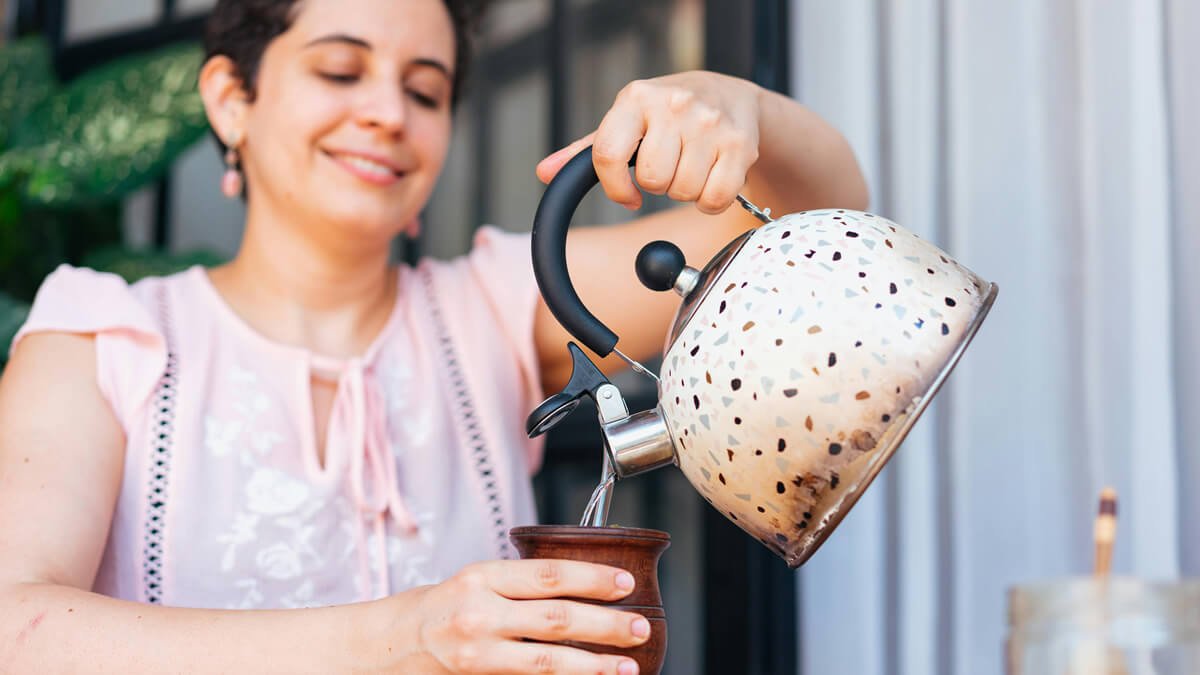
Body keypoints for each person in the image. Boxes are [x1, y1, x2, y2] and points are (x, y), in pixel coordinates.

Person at [0, 0, 867, 672]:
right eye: (341, 72)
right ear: (233, 101)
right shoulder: (101, 338)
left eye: (425, 91)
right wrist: (401, 637)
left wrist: (737, 106)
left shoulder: (493, 309)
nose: (387, 113)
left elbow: (823, 238)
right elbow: (16, 632)